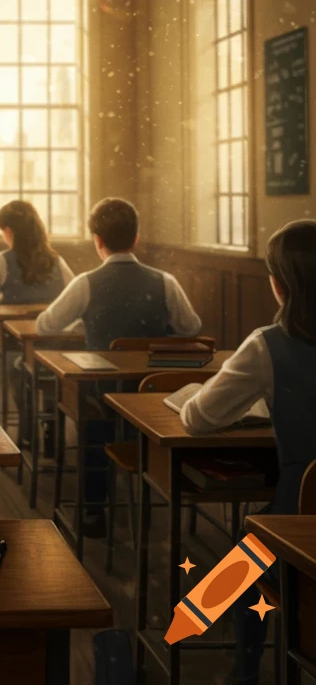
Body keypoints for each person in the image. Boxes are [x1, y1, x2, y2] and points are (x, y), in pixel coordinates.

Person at [180, 219, 316, 685]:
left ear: (278, 286)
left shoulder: (267, 347)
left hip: (300, 520)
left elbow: (198, 418)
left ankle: (245, 672)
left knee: (238, 569)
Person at [35, 197, 202, 536]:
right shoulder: (165, 281)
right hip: (152, 400)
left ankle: (94, 511)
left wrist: (84, 325)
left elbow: (44, 326)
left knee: (93, 421)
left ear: (97, 240)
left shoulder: (86, 283)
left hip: (105, 395)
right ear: (136, 238)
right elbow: (192, 327)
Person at [0, 200, 74, 455]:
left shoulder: (1, 261)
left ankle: (27, 429)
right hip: (56, 349)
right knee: (47, 375)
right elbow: (71, 297)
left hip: (19, 346)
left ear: (9, 231)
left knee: (17, 365)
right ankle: (52, 428)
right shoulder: (57, 261)